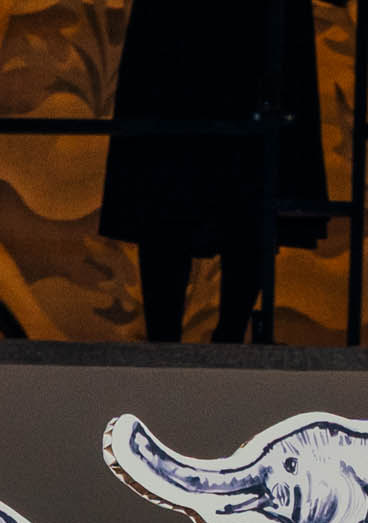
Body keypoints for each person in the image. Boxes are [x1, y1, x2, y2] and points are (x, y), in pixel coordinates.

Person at [101, 0, 328, 341]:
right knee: (243, 175)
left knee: (171, 172)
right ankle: (220, 339)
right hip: (249, 28)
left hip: (192, 30)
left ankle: (179, 345)